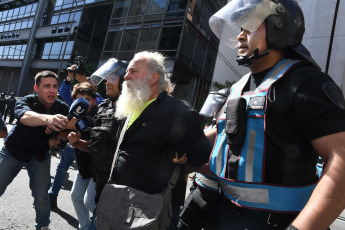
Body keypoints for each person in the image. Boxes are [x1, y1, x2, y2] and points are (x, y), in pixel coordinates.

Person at [204, 0, 345, 229]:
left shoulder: (307, 83)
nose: (240, 36)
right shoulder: (237, 88)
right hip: (225, 216)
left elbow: (341, 162)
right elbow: (222, 141)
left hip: (282, 222)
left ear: (279, 25)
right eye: (240, 29)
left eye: (249, 26)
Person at [104, 51, 211, 229]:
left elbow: (200, 156)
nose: (126, 76)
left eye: (133, 71)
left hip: (154, 209)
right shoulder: (128, 107)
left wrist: (177, 165)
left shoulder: (179, 111)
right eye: (127, 72)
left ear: (154, 77)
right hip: (119, 199)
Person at [0, 71, 69, 230]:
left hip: (40, 155)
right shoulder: (26, 101)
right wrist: (48, 119)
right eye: (46, 86)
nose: (52, 90)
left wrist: (58, 139)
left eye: (55, 86)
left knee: (41, 195)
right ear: (36, 88)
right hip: (14, 150)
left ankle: (43, 226)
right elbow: (25, 117)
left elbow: (68, 128)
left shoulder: (62, 107)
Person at [67, 58, 128, 230]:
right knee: (85, 201)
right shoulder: (104, 108)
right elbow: (94, 146)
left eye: (113, 78)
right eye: (107, 77)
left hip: (117, 186)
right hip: (97, 176)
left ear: (125, 81)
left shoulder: (134, 112)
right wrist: (77, 142)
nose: (107, 82)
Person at [49, 63, 103, 210]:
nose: (89, 83)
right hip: (71, 144)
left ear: (96, 90)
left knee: (87, 197)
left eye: (93, 82)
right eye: (88, 80)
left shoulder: (102, 104)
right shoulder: (77, 100)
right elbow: (65, 92)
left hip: (88, 148)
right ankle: (52, 195)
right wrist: (69, 77)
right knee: (62, 169)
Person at [178, 88, 230, 230]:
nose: (214, 108)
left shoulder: (230, 130)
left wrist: (193, 165)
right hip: (199, 189)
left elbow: (223, 166)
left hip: (218, 196)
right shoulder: (211, 125)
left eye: (218, 104)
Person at [65, 82, 98, 230]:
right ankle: (84, 227)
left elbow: (96, 145)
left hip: (98, 168)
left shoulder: (102, 115)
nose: (84, 104)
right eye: (80, 100)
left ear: (95, 100)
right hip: (83, 165)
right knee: (76, 197)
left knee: (89, 202)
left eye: (88, 100)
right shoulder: (75, 116)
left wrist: (79, 141)